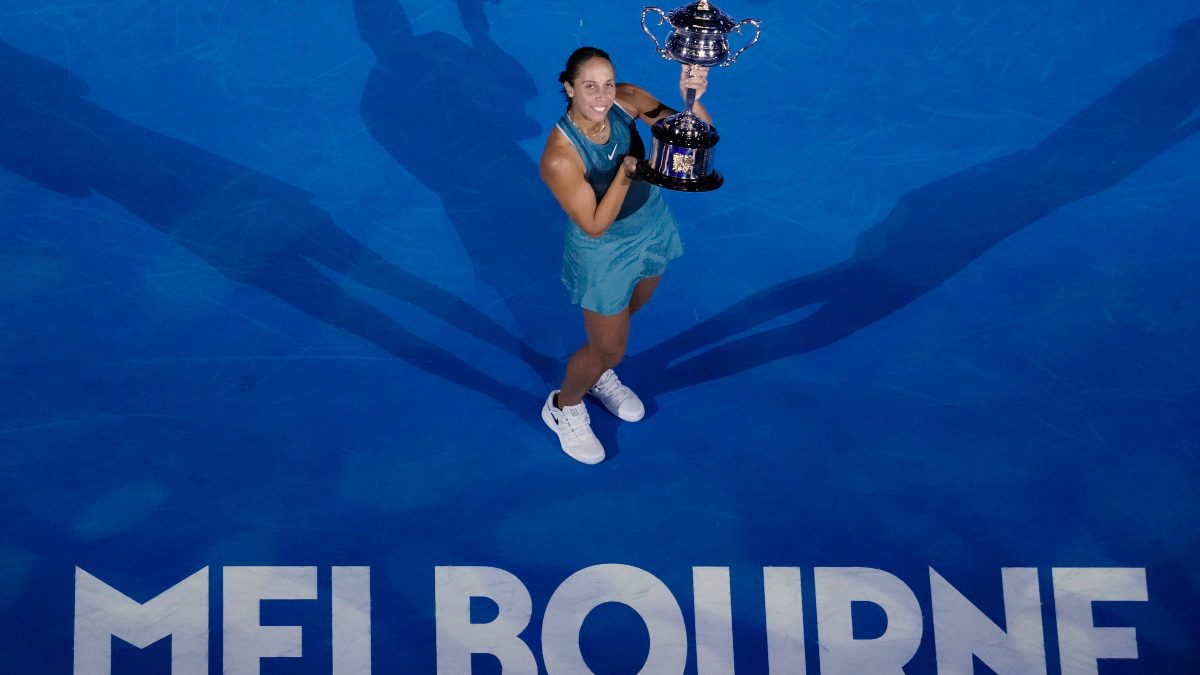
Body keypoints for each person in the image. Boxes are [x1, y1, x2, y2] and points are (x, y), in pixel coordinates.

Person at [539, 46, 711, 463]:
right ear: (569, 88)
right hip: (605, 252)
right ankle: (565, 406)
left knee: (623, 320)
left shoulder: (628, 99)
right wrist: (628, 173)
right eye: (589, 87)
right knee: (610, 349)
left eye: (608, 84)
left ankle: (597, 373)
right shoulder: (560, 157)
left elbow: (695, 135)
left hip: (651, 227)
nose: (602, 96)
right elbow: (594, 225)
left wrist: (694, 97)